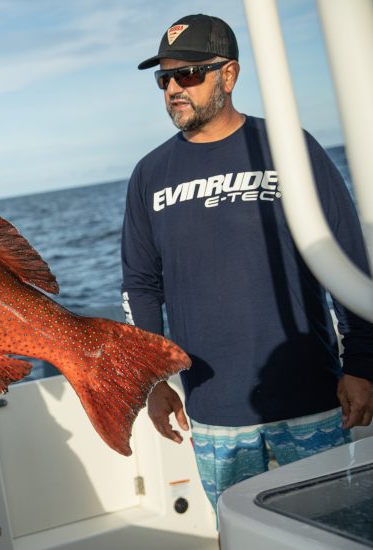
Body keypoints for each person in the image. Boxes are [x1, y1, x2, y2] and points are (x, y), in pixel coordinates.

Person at [121, 14, 373, 511]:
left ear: (229, 76)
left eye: (189, 74)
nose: (174, 88)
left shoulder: (289, 147)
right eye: (164, 78)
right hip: (214, 412)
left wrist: (363, 363)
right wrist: (150, 382)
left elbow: (346, 257)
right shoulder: (149, 175)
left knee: (337, 530)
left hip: (312, 401)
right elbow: (142, 285)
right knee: (238, 536)